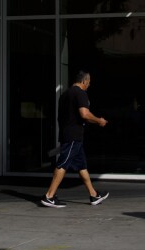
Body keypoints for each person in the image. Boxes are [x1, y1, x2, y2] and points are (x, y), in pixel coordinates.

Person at [40, 70, 109, 208]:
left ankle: (93, 195)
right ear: (84, 81)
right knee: (63, 164)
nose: (89, 85)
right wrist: (99, 120)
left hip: (69, 134)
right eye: (88, 83)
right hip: (73, 136)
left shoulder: (65, 94)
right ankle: (49, 196)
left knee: (82, 166)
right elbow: (85, 114)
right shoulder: (80, 93)